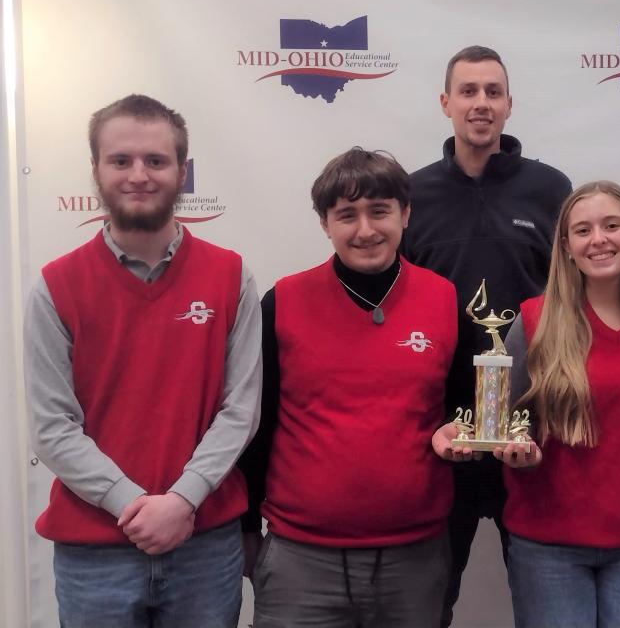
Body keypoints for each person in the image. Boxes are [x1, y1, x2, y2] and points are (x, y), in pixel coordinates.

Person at [24, 94, 262, 628]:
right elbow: (52, 427)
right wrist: (136, 506)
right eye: (121, 160)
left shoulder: (231, 276)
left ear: (182, 171)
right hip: (94, 552)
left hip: (204, 541)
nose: (139, 175)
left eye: (156, 160)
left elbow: (240, 409)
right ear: (95, 170)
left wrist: (182, 501)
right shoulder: (56, 286)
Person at [435, 181, 620, 628]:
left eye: (611, 225)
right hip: (547, 547)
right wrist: (519, 455)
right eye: (583, 230)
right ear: (566, 246)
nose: (598, 239)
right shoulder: (534, 322)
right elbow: (505, 427)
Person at [240, 147, 458, 628]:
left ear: (405, 213)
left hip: (415, 561)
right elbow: (253, 424)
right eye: (347, 216)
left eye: (379, 211)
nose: (365, 230)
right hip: (301, 560)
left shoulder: (444, 299)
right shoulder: (284, 302)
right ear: (325, 224)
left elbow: (462, 409)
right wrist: (244, 529)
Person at [403, 45, 571, 626]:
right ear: (446, 103)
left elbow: (572, 300)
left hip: (528, 433)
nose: (481, 104)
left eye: (492, 92)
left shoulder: (551, 190)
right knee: (427, 604)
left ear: (508, 105)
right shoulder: (411, 195)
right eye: (468, 92)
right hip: (438, 433)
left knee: (546, 603)